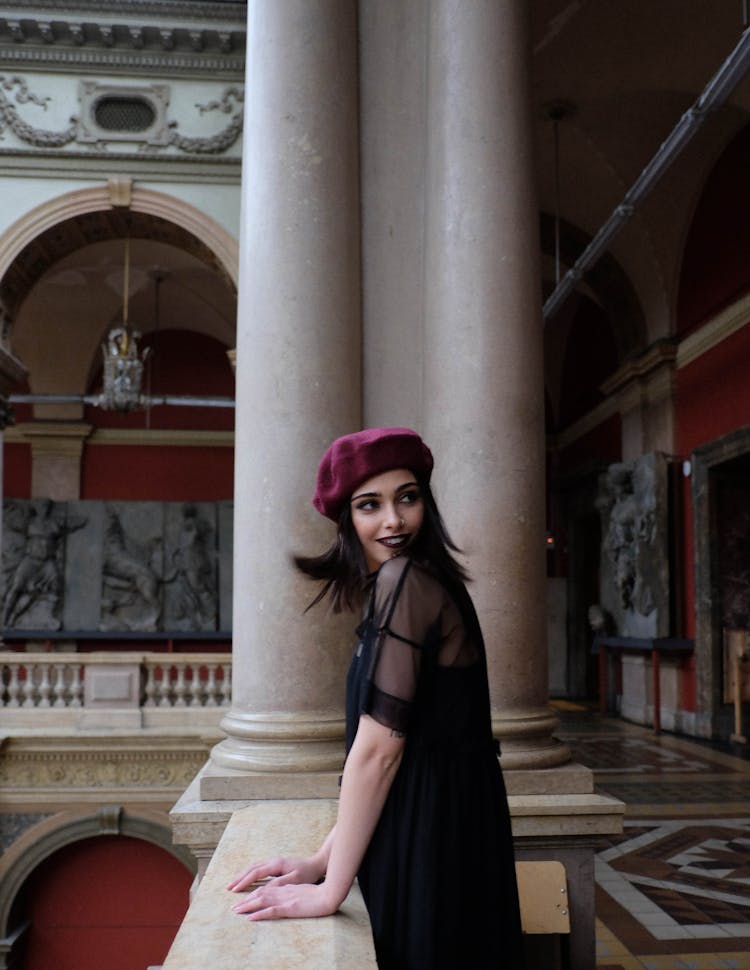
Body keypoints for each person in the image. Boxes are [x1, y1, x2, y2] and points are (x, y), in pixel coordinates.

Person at [229, 428, 525, 969]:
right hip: (443, 819)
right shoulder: (412, 584)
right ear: (349, 521)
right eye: (371, 505)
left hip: (432, 829)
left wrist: (328, 889)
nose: (393, 520)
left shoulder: (406, 579)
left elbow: (379, 752)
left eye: (407, 498)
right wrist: (322, 858)